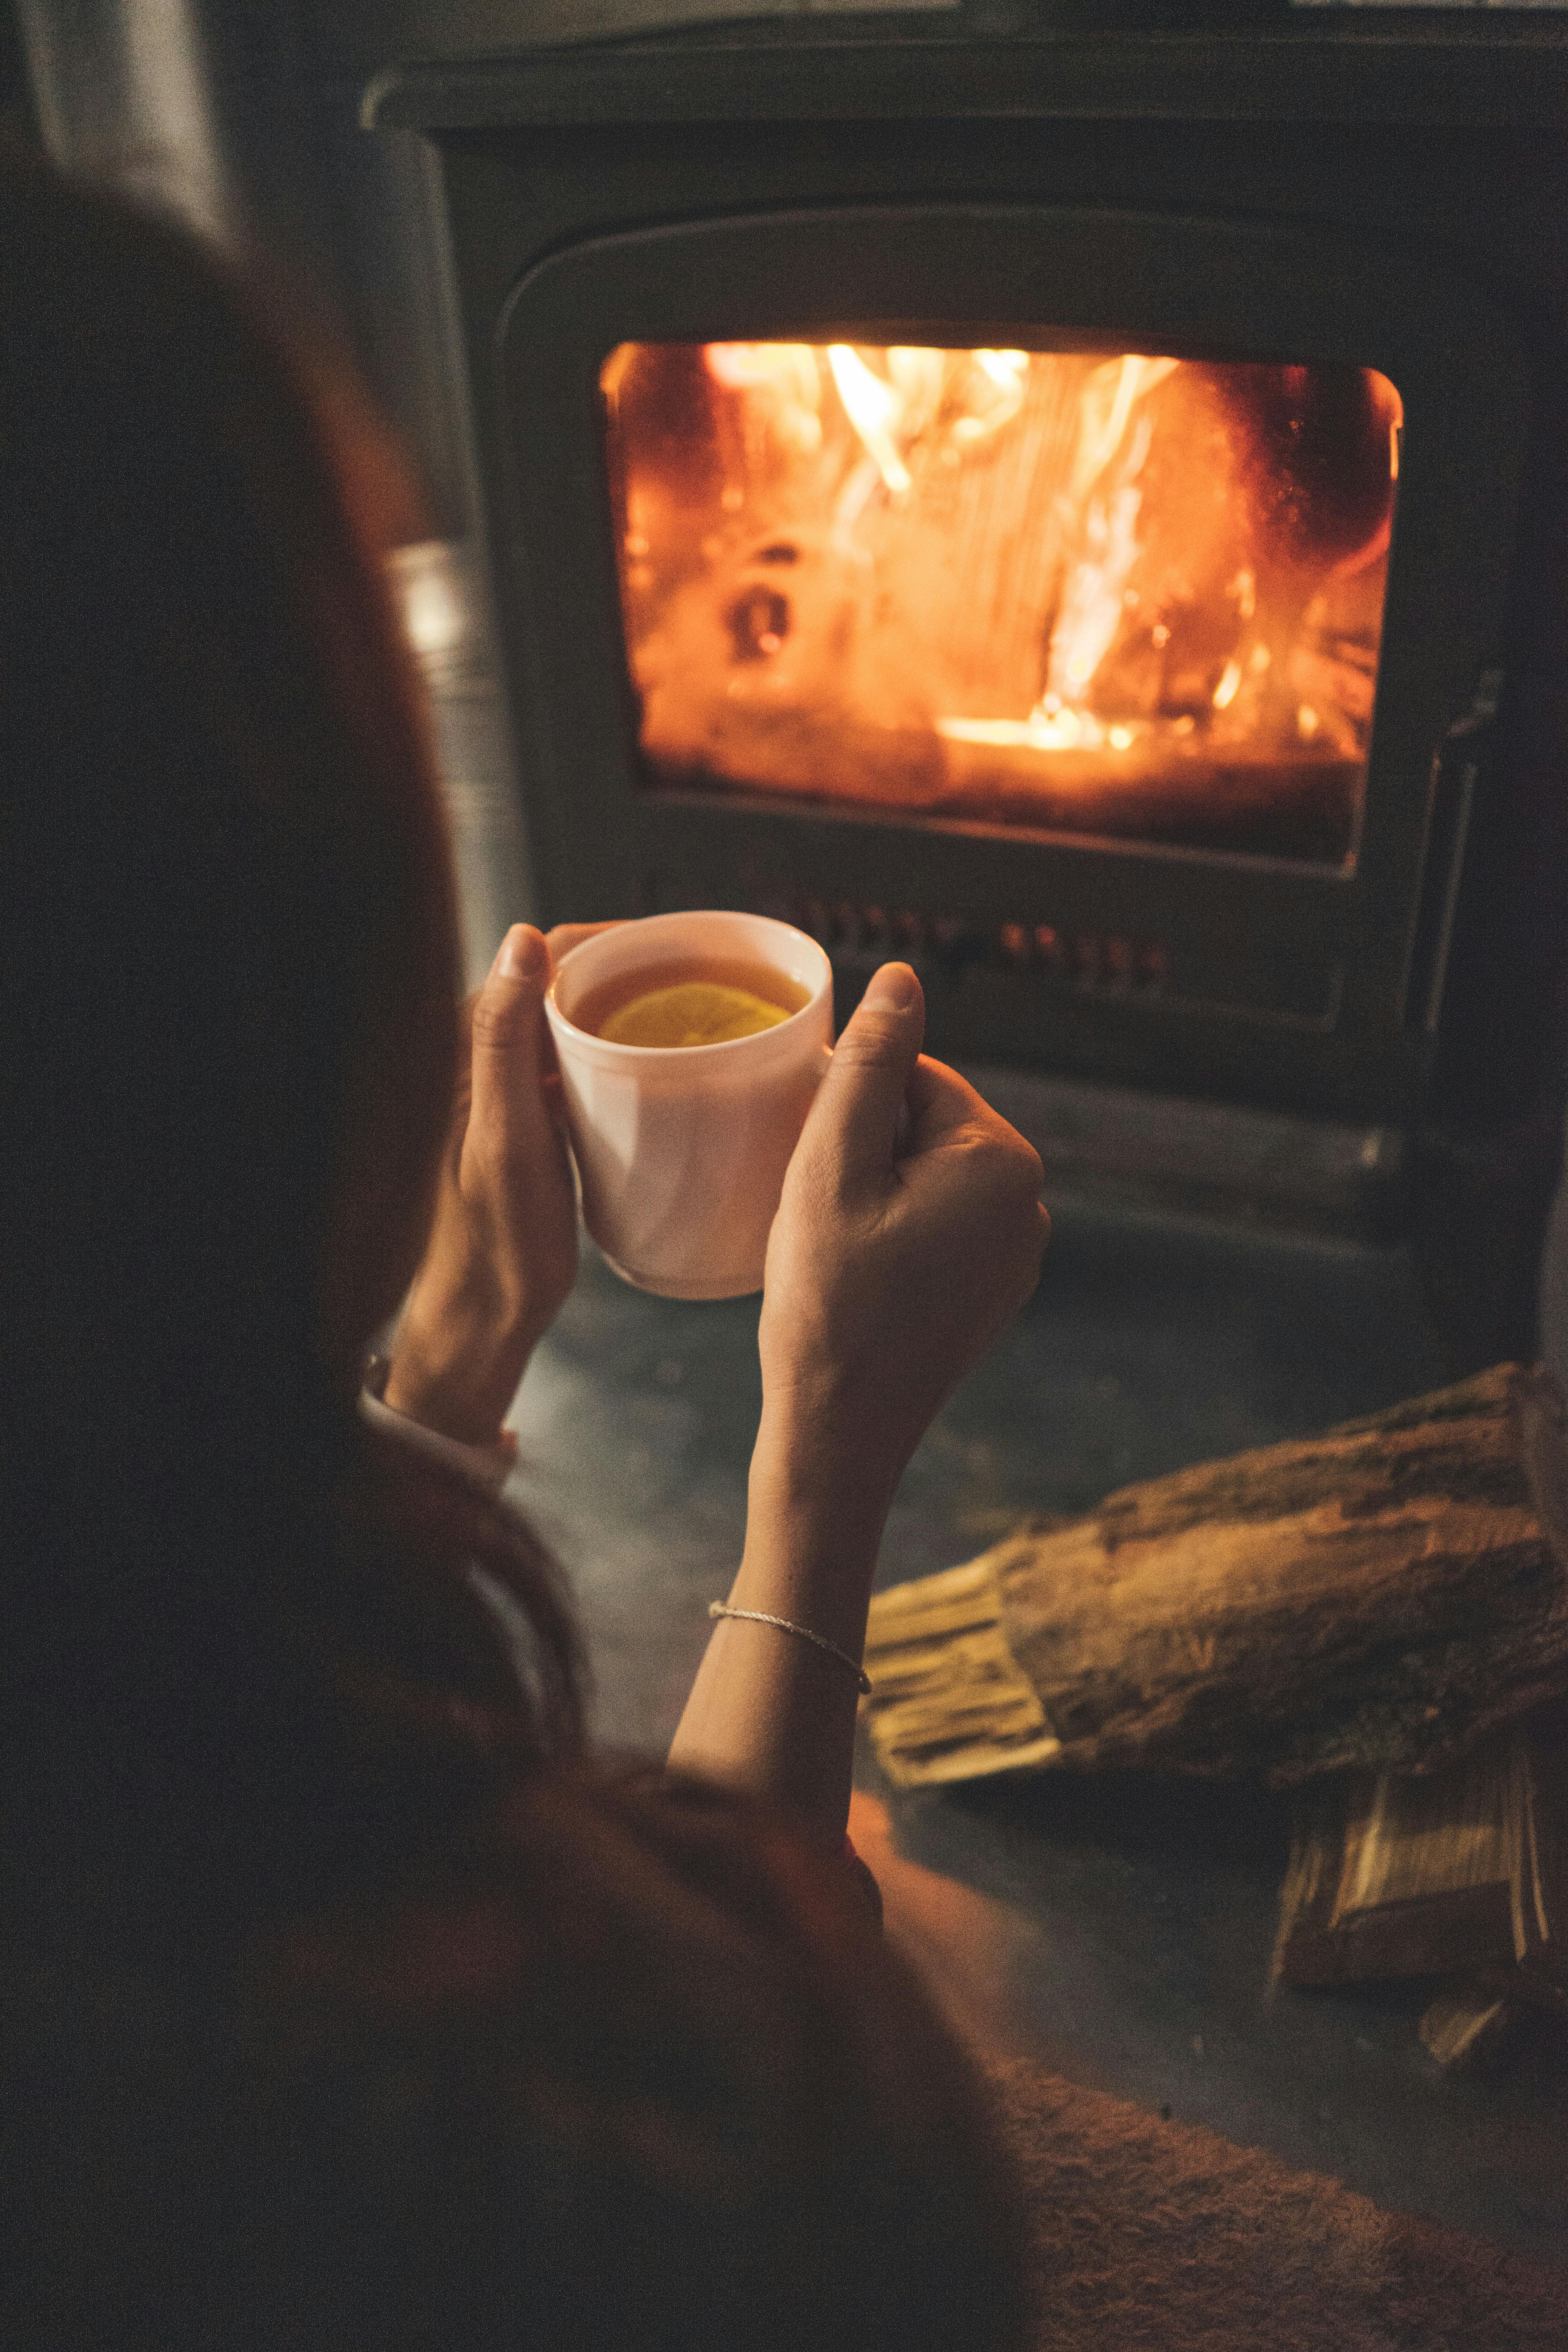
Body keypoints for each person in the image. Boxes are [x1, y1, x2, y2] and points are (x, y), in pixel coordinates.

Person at [1, 159, 1048, 2352]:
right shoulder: (541, 2124)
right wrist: (824, 1462)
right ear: (243, 961)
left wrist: (430, 1393)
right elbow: (717, 2088)